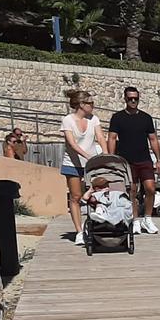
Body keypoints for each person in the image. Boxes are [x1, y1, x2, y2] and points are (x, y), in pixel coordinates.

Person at [108, 87, 160, 234]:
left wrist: (158, 159)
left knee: (150, 188)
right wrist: (111, 158)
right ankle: (135, 219)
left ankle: (148, 218)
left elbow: (153, 139)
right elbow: (112, 138)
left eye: (135, 98)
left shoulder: (146, 118)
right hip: (126, 160)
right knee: (132, 190)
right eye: (130, 98)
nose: (133, 101)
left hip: (144, 158)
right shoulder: (117, 117)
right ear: (125, 99)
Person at [60, 89, 107, 246]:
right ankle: (79, 231)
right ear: (81, 104)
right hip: (73, 163)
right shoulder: (68, 120)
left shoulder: (94, 119)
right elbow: (72, 143)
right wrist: (87, 156)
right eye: (90, 103)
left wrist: (105, 154)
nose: (93, 105)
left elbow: (100, 137)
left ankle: (98, 220)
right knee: (75, 196)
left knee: (98, 191)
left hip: (92, 164)